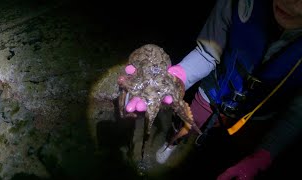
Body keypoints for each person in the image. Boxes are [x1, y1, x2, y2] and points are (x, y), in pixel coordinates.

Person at [123, 0, 302, 179]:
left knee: (226, 156)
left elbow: (297, 114)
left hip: (257, 117)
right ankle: (171, 145)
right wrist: (178, 76)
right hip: (213, 94)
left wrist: (263, 156)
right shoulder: (237, 4)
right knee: (188, 125)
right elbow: (207, 52)